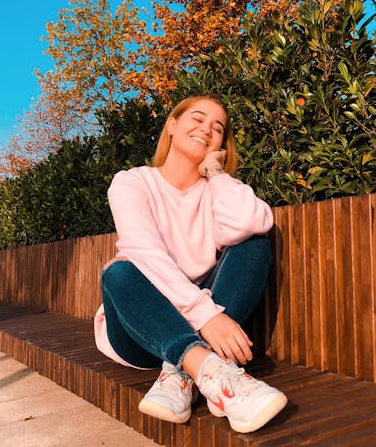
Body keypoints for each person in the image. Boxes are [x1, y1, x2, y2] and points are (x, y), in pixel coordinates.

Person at [94, 94, 287, 433]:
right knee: (119, 271)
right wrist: (206, 315)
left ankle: (182, 372)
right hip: (142, 333)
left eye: (218, 128)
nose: (206, 130)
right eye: (196, 119)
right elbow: (144, 252)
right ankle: (213, 373)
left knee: (254, 244)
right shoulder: (132, 182)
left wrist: (215, 171)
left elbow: (253, 222)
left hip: (204, 322)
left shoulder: (216, 189)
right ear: (172, 124)